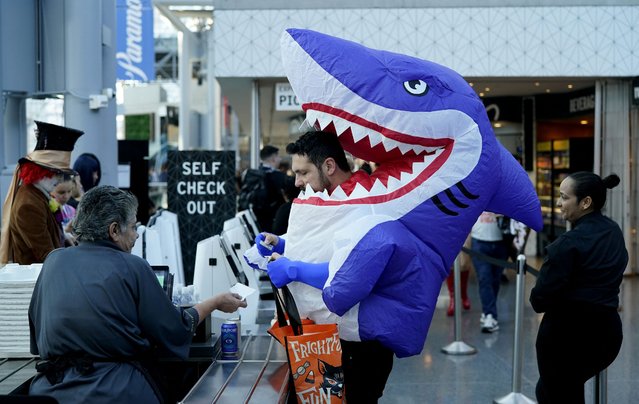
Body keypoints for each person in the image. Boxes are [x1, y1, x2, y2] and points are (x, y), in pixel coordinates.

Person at [28, 185, 247, 403]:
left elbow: (38, 339)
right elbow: (176, 328)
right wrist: (215, 301)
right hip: (116, 391)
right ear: (114, 230)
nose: (135, 236)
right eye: (133, 227)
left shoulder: (53, 261)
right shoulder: (133, 267)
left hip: (52, 391)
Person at [251, 131, 394, 403]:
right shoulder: (329, 198)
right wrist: (280, 244)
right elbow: (327, 246)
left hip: (359, 346)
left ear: (329, 165)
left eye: (303, 172)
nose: (297, 181)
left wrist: (294, 270)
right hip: (328, 336)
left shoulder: (366, 205)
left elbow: (354, 272)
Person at [530, 172, 627, 404]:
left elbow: (538, 300)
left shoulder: (566, 245)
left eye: (564, 197)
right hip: (607, 337)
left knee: (554, 393)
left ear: (585, 202)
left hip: (567, 341)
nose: (558, 203)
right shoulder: (614, 231)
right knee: (569, 387)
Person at [0, 121, 83, 265]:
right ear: (40, 172)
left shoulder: (37, 194)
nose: (60, 179)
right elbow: (47, 255)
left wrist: (65, 236)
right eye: (57, 173)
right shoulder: (29, 205)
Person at [470, 211, 508, 333]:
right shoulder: (475, 193)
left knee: (495, 280)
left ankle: (487, 310)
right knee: (484, 278)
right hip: (479, 241)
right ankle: (490, 315)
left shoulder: (504, 194)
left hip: (501, 241)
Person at [239, 145, 287, 232]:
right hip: (273, 222)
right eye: (278, 156)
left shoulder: (252, 175)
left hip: (255, 221)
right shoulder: (279, 176)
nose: (280, 159)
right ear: (273, 159)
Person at [445, 234, 472, 316]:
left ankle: (463, 294)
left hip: (465, 227)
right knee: (449, 263)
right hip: (447, 229)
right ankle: (452, 298)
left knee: (464, 263)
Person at [49, 176, 78, 246]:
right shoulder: (49, 210)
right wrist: (65, 231)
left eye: (69, 191)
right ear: (51, 190)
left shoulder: (72, 210)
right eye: (61, 192)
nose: (66, 196)